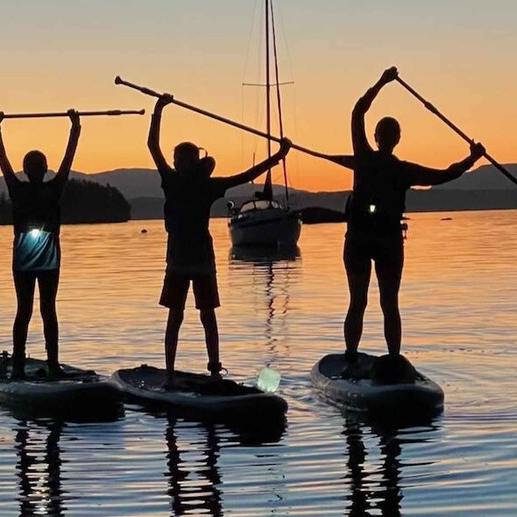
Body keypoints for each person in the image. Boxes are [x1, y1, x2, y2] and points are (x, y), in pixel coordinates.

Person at [323, 67, 485, 369]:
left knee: (360, 302)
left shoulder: (365, 156)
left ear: (378, 137)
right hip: (382, 241)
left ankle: (353, 357)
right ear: (397, 139)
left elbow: (358, 109)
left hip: (364, 240)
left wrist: (381, 82)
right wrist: (471, 158)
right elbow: (446, 175)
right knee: (388, 305)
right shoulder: (399, 168)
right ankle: (392, 359)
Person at [148, 93, 291, 382]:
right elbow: (152, 146)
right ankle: (174, 371)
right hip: (182, 258)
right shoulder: (177, 181)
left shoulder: (199, 184)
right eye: (178, 158)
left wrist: (278, 156)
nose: (177, 162)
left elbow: (246, 175)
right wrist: (158, 109)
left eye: (181, 158)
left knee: (201, 315)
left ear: (185, 161)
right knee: (181, 315)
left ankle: (210, 368)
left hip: (196, 257)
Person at [0, 110, 81, 379]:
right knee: (35, 309)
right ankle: (36, 365)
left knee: (37, 309)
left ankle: (41, 365)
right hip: (34, 254)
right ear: (37, 169)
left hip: (36, 254)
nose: (37, 170)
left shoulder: (42, 188)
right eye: (36, 166)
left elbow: (67, 160)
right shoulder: (31, 188)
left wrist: (75, 128)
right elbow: (4, 161)